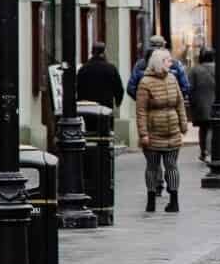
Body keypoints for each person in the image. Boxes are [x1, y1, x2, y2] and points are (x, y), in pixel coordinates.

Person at [133, 49, 187, 214]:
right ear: (158, 62)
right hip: (154, 131)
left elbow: (179, 103)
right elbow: (141, 111)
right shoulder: (145, 82)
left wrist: (183, 124)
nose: (171, 63)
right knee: (152, 166)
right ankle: (151, 199)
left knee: (172, 165)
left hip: (172, 130)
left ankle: (174, 200)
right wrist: (143, 134)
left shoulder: (172, 78)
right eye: (167, 60)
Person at [127, 34, 191, 102]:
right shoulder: (175, 64)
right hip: (169, 108)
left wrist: (143, 102)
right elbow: (185, 87)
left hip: (148, 110)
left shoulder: (140, 65)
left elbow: (131, 88)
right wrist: (175, 101)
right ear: (164, 46)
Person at [75, 43, 123, 117]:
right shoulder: (111, 69)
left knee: (89, 128)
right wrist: (118, 102)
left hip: (88, 109)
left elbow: (78, 87)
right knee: (106, 127)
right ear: (104, 53)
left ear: (92, 53)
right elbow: (119, 88)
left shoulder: (83, 69)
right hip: (106, 108)